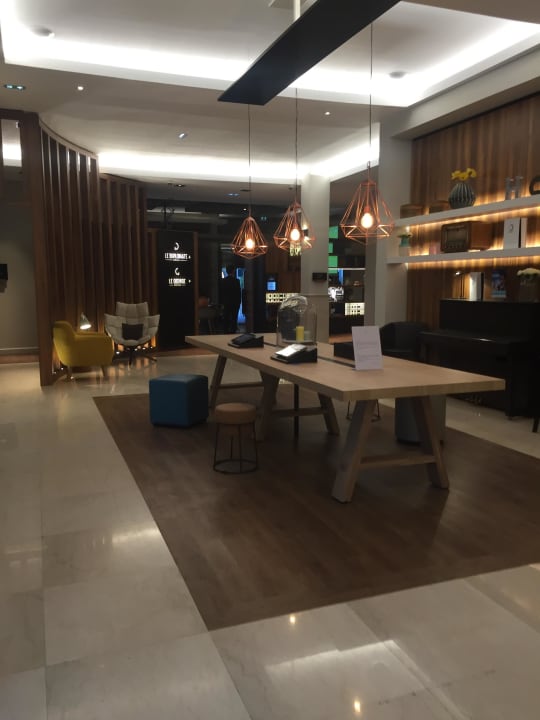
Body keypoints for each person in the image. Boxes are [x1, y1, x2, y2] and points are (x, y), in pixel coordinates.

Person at [220, 264, 241, 333]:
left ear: (227, 271)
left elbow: (222, 293)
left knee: (226, 317)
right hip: (235, 303)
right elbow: (238, 293)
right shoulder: (237, 281)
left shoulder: (223, 281)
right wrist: (239, 302)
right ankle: (233, 331)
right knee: (234, 318)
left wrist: (222, 303)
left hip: (226, 302)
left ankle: (225, 332)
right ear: (233, 271)